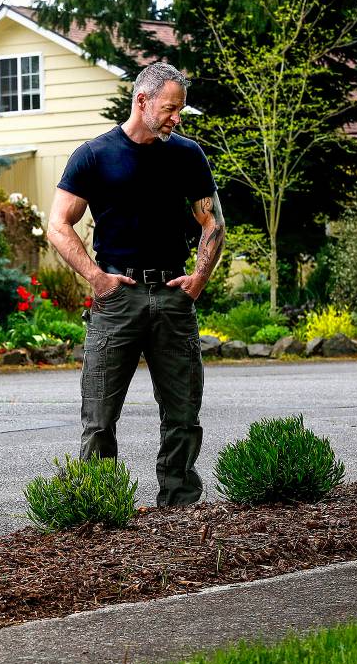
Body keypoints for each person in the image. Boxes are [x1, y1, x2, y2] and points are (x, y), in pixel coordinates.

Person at [46, 61, 226, 507]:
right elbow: (58, 224)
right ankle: (101, 506)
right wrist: (96, 278)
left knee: (183, 414)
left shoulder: (187, 155)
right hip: (117, 300)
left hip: (172, 296)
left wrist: (199, 279)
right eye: (169, 108)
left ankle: (180, 505)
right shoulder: (94, 155)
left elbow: (213, 221)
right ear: (141, 101)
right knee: (100, 417)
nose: (176, 118)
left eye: (180, 110)